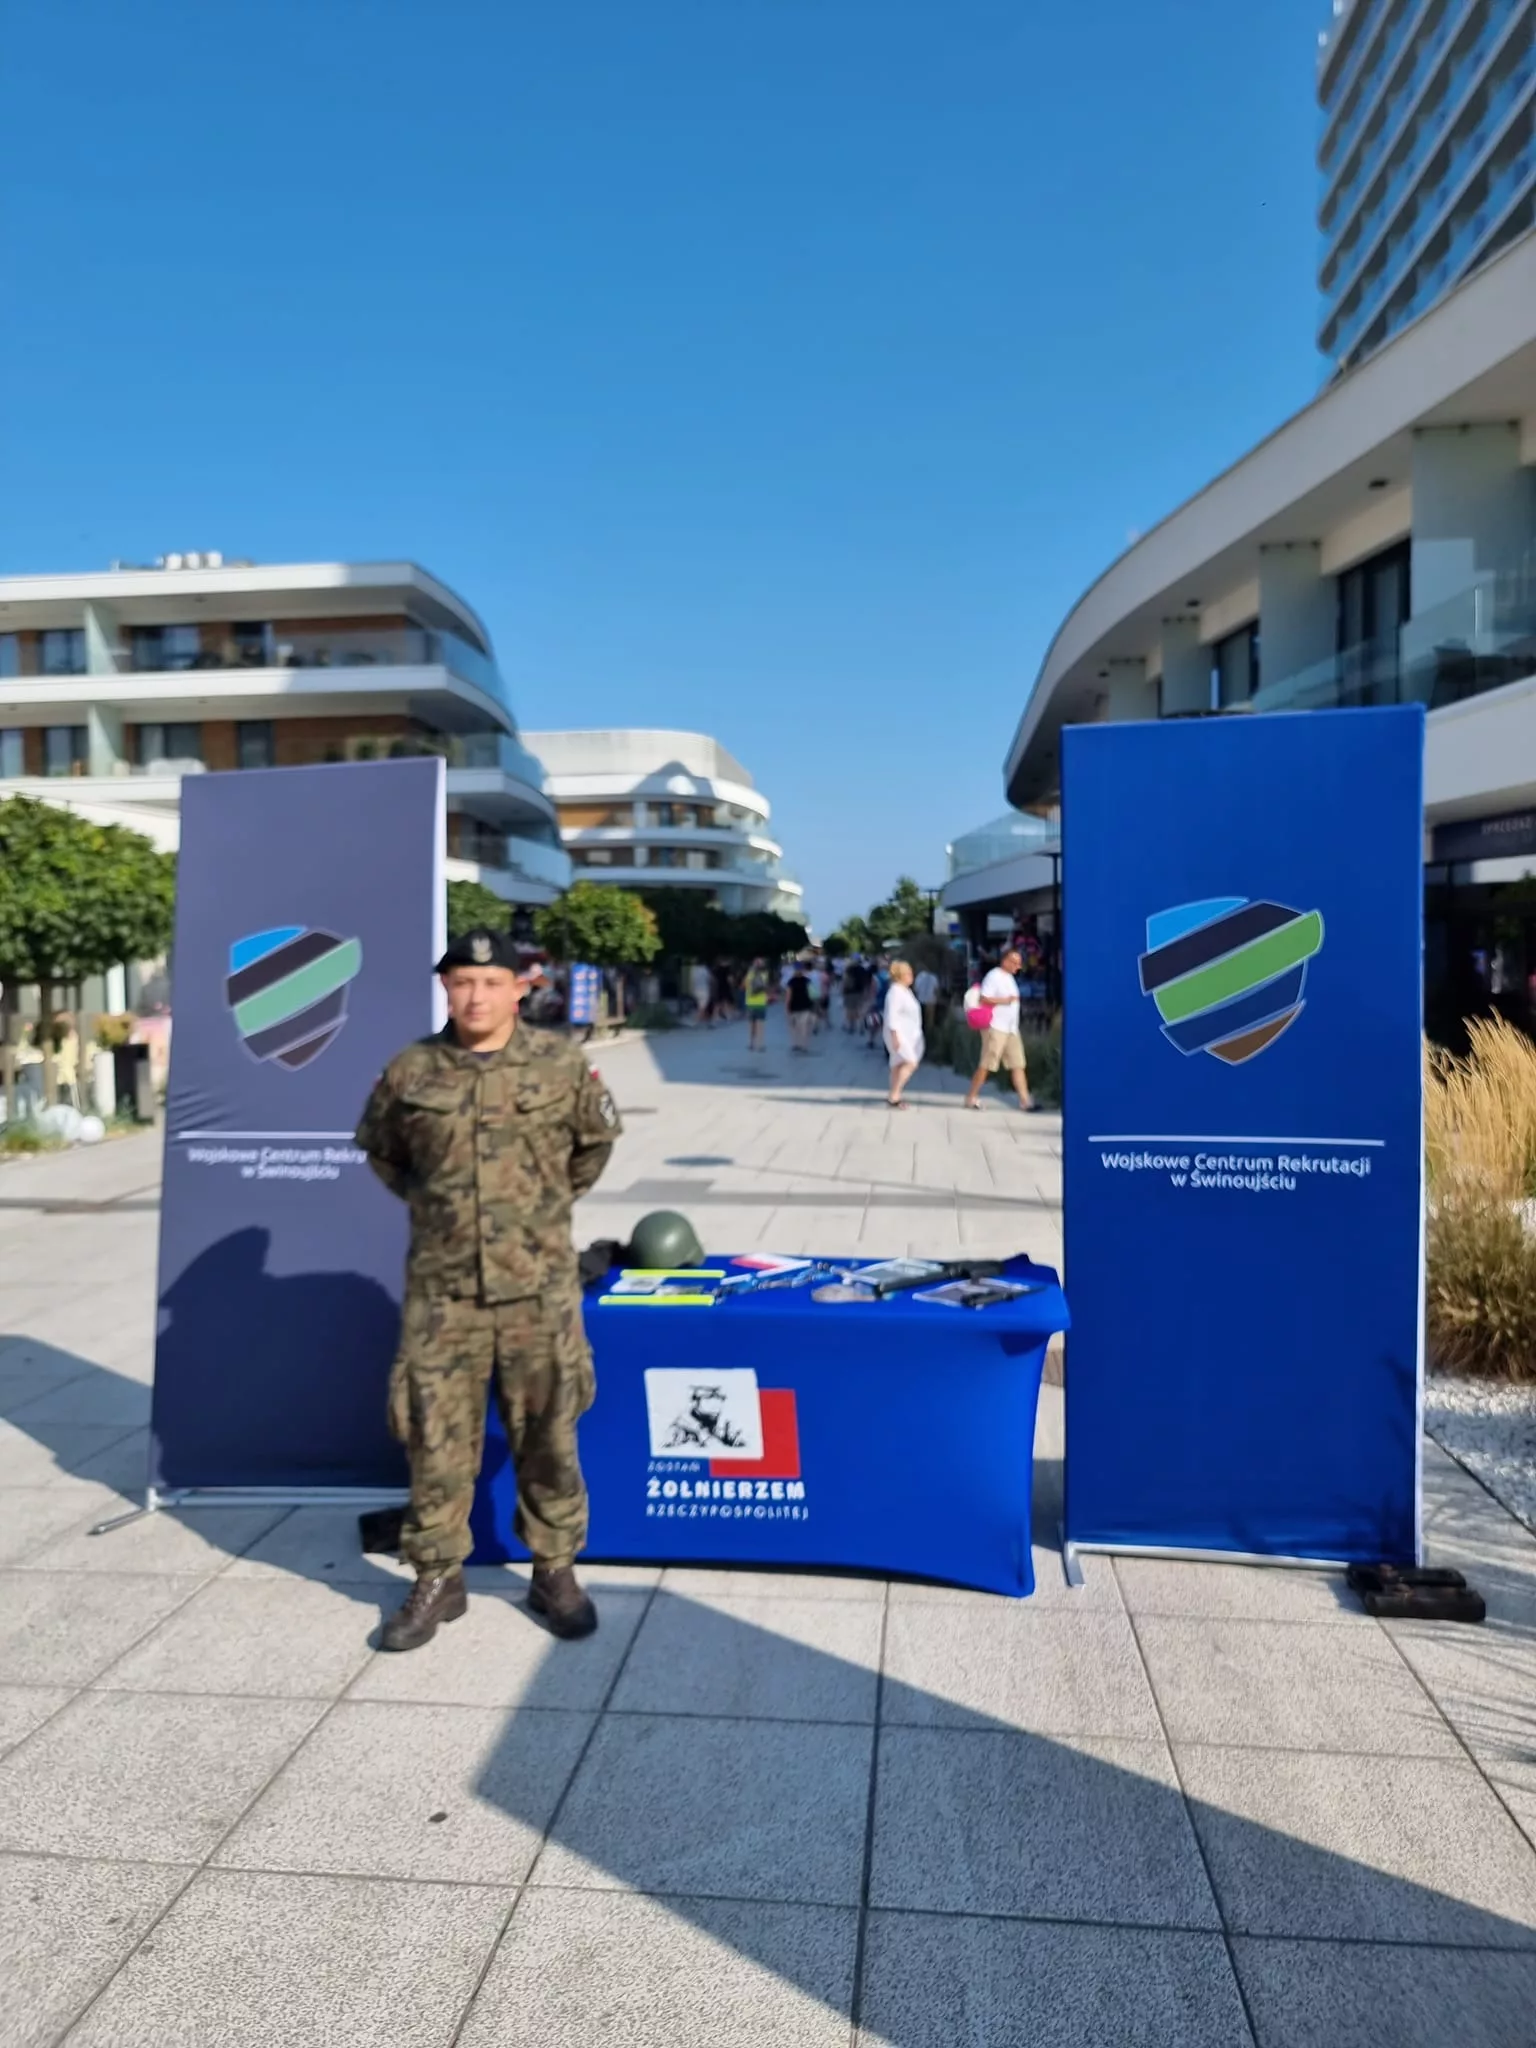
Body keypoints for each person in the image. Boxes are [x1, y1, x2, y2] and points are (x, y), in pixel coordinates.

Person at [355, 926, 623, 1651]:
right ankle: (438, 1577)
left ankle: (554, 1568)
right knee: (434, 1439)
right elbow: (384, 1153)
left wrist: (537, 1212)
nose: (475, 995)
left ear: (518, 988)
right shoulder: (411, 1071)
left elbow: (592, 1147)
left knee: (549, 1432)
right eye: (461, 982)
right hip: (443, 1294)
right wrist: (443, 1210)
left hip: (539, 1288)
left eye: (490, 982)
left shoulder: (561, 1065)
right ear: (446, 987)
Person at [964, 946, 1036, 1112]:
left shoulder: (1009, 978)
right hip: (996, 1027)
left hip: (1011, 1028)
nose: (1017, 966)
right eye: (1014, 962)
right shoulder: (994, 976)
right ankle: (971, 1097)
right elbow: (985, 999)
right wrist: (1006, 1000)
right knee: (988, 1063)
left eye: (1019, 963)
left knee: (1018, 1064)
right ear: (1004, 960)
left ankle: (1025, 1101)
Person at [882, 959, 925, 1108]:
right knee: (910, 1062)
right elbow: (891, 1015)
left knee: (897, 1064)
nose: (911, 976)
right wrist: (895, 1035)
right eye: (908, 973)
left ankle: (895, 1096)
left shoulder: (905, 991)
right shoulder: (895, 992)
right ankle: (894, 1094)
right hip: (899, 1034)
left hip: (909, 1033)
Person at [785, 958, 815, 1053]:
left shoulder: (791, 982)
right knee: (804, 1026)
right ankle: (804, 1045)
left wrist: (787, 1007)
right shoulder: (807, 981)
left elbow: (788, 996)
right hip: (806, 1005)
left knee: (794, 1026)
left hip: (794, 1006)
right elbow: (812, 994)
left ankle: (795, 1043)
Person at [743, 956, 771, 1050]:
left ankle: (751, 1043)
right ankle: (760, 1044)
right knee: (760, 1025)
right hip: (761, 1002)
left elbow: (745, 986)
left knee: (751, 1025)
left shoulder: (749, 974)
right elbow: (766, 987)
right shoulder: (765, 975)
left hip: (750, 1002)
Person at [913, 964, 939, 1038]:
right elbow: (936, 990)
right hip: (931, 1002)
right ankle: (929, 1037)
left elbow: (916, 990)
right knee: (929, 1022)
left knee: (921, 1021)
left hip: (920, 1001)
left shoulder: (919, 977)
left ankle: (921, 1036)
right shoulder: (934, 977)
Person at [690, 959, 712, 1028]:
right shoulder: (705, 969)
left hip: (696, 990)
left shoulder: (693, 970)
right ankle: (696, 1021)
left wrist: (692, 990)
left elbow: (692, 981)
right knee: (703, 1006)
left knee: (701, 1005)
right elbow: (709, 979)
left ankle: (706, 1021)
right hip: (704, 989)